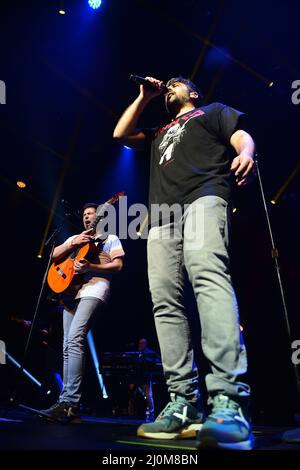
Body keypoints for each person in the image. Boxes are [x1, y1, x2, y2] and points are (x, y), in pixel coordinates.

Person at [113, 76, 255, 449]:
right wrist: (146, 96)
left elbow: (240, 135)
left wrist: (246, 153)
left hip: (205, 196)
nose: (169, 88)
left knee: (208, 277)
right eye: (168, 85)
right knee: (164, 301)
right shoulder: (159, 130)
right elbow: (120, 135)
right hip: (161, 215)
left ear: (192, 93)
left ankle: (228, 398)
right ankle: (182, 404)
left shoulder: (212, 111)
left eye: (176, 84)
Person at [40, 203, 125, 422]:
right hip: (71, 292)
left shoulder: (110, 238)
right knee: (67, 344)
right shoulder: (77, 238)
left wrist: (91, 268)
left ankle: (71, 401)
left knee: (75, 338)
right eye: (85, 214)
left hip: (95, 288)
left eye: (91, 214)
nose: (87, 217)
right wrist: (72, 243)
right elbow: (53, 254)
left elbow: (117, 266)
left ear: (99, 218)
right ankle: (66, 402)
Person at [127, 338, 161, 421]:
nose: (140, 345)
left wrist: (149, 362)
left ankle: (151, 412)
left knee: (148, 395)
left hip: (145, 376)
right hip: (134, 376)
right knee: (131, 394)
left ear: (146, 344)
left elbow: (158, 360)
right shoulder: (135, 352)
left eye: (142, 343)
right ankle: (130, 412)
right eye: (139, 343)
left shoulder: (150, 352)